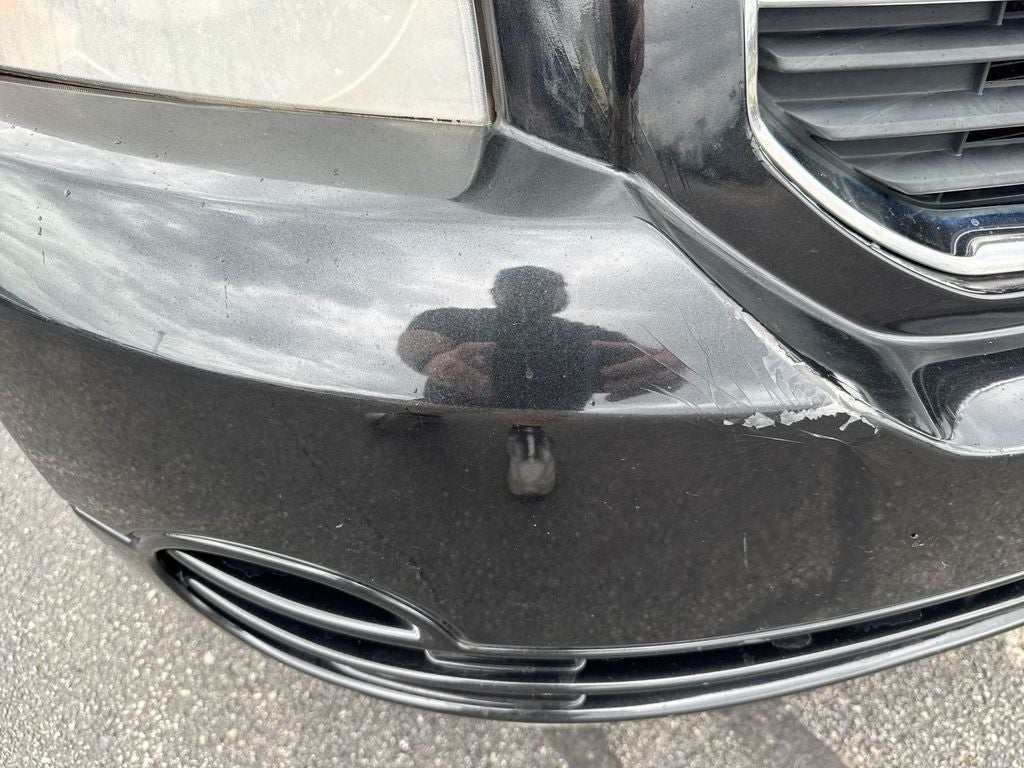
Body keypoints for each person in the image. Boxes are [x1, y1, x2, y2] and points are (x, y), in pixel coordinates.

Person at [396, 266, 685, 496]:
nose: (528, 295)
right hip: (454, 404)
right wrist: (433, 359)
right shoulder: (456, 319)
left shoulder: (582, 335)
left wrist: (667, 368)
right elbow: (418, 336)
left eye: (537, 288)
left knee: (528, 428)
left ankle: (527, 438)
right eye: (519, 287)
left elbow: (648, 358)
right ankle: (426, 413)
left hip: (528, 413)